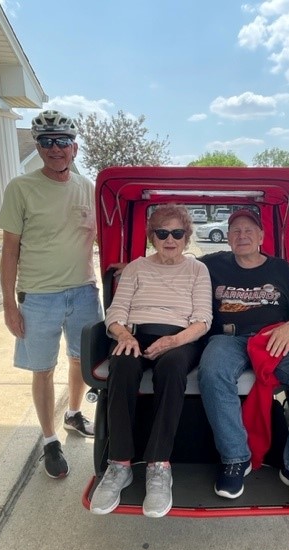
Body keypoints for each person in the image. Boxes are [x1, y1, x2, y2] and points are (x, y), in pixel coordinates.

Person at [198, 209, 289, 513]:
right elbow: (174, 265)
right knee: (212, 370)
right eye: (235, 231)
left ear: (260, 237)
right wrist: (135, 267)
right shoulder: (212, 263)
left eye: (248, 231)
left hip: (274, 337)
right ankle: (235, 459)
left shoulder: (281, 269)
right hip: (228, 339)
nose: (241, 236)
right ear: (227, 237)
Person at [0, 110, 103, 480]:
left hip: (83, 292)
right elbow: (9, 250)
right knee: (43, 369)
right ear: (38, 147)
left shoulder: (89, 188)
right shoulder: (21, 188)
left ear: (75, 147)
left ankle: (73, 413)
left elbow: (107, 237)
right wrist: (9, 303)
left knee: (81, 360)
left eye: (62, 141)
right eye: (46, 142)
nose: (55, 149)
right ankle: (49, 440)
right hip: (38, 296)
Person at [90, 203, 212, 518]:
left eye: (177, 233)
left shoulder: (198, 270)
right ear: (151, 236)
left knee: (172, 367)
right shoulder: (136, 268)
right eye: (162, 233)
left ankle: (159, 465)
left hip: (181, 338)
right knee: (123, 363)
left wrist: (172, 341)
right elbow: (115, 314)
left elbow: (202, 320)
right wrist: (124, 336)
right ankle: (119, 465)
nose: (169, 239)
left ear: (187, 237)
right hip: (136, 333)